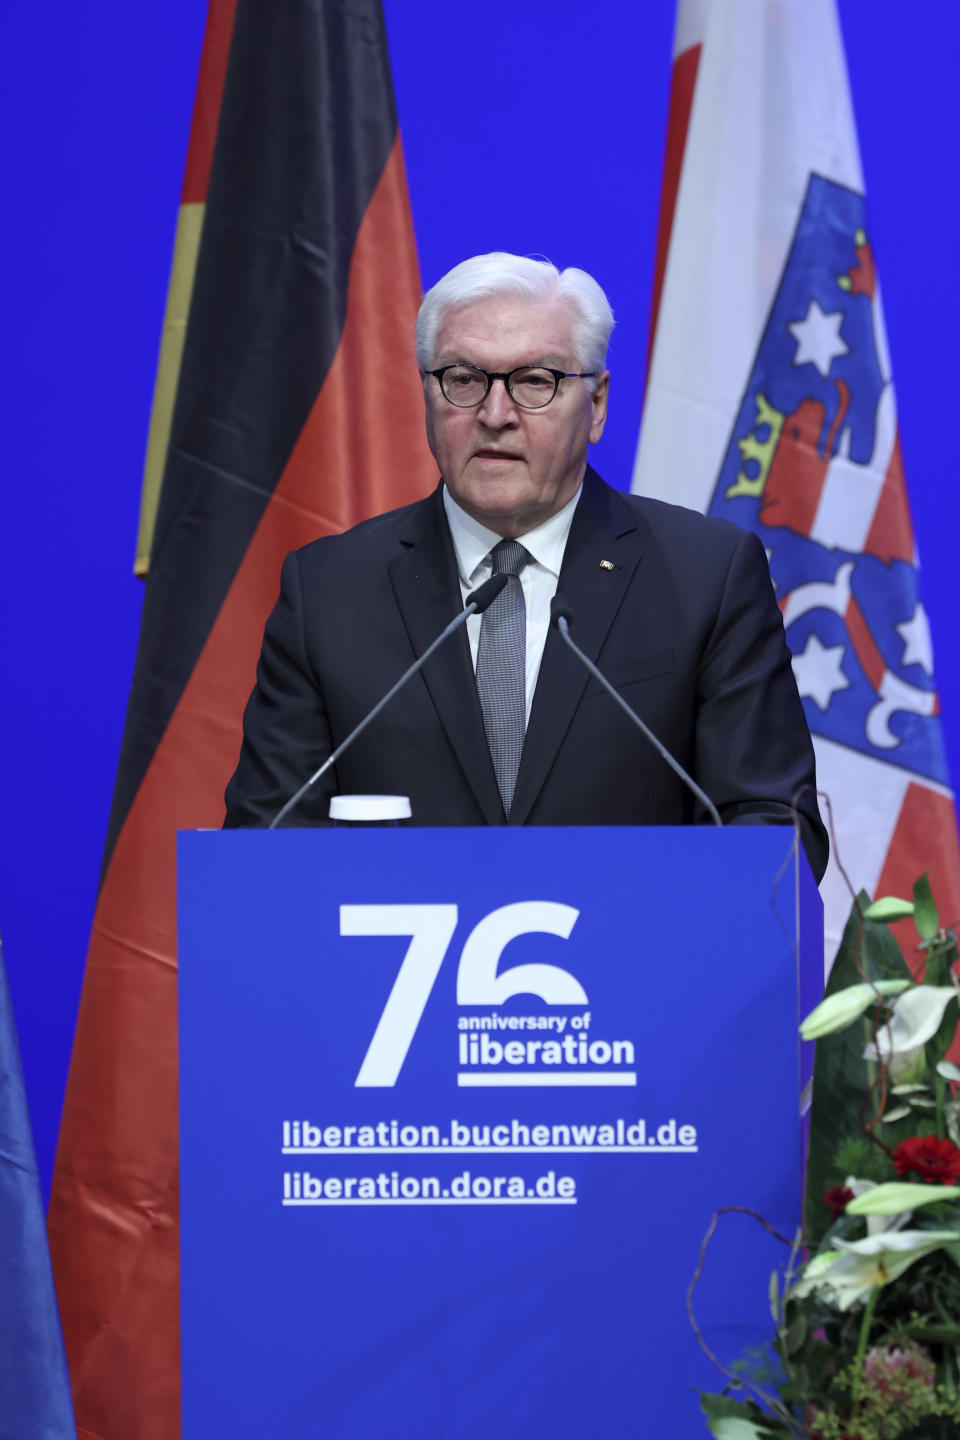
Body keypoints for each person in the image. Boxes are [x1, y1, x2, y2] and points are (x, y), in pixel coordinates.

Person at [224, 252, 828, 881]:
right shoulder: (327, 591)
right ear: (426, 396)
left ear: (595, 405)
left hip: (639, 969)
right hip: (391, 974)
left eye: (536, 381)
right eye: (463, 378)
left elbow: (771, 825)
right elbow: (265, 841)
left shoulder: (708, 576)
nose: (495, 414)